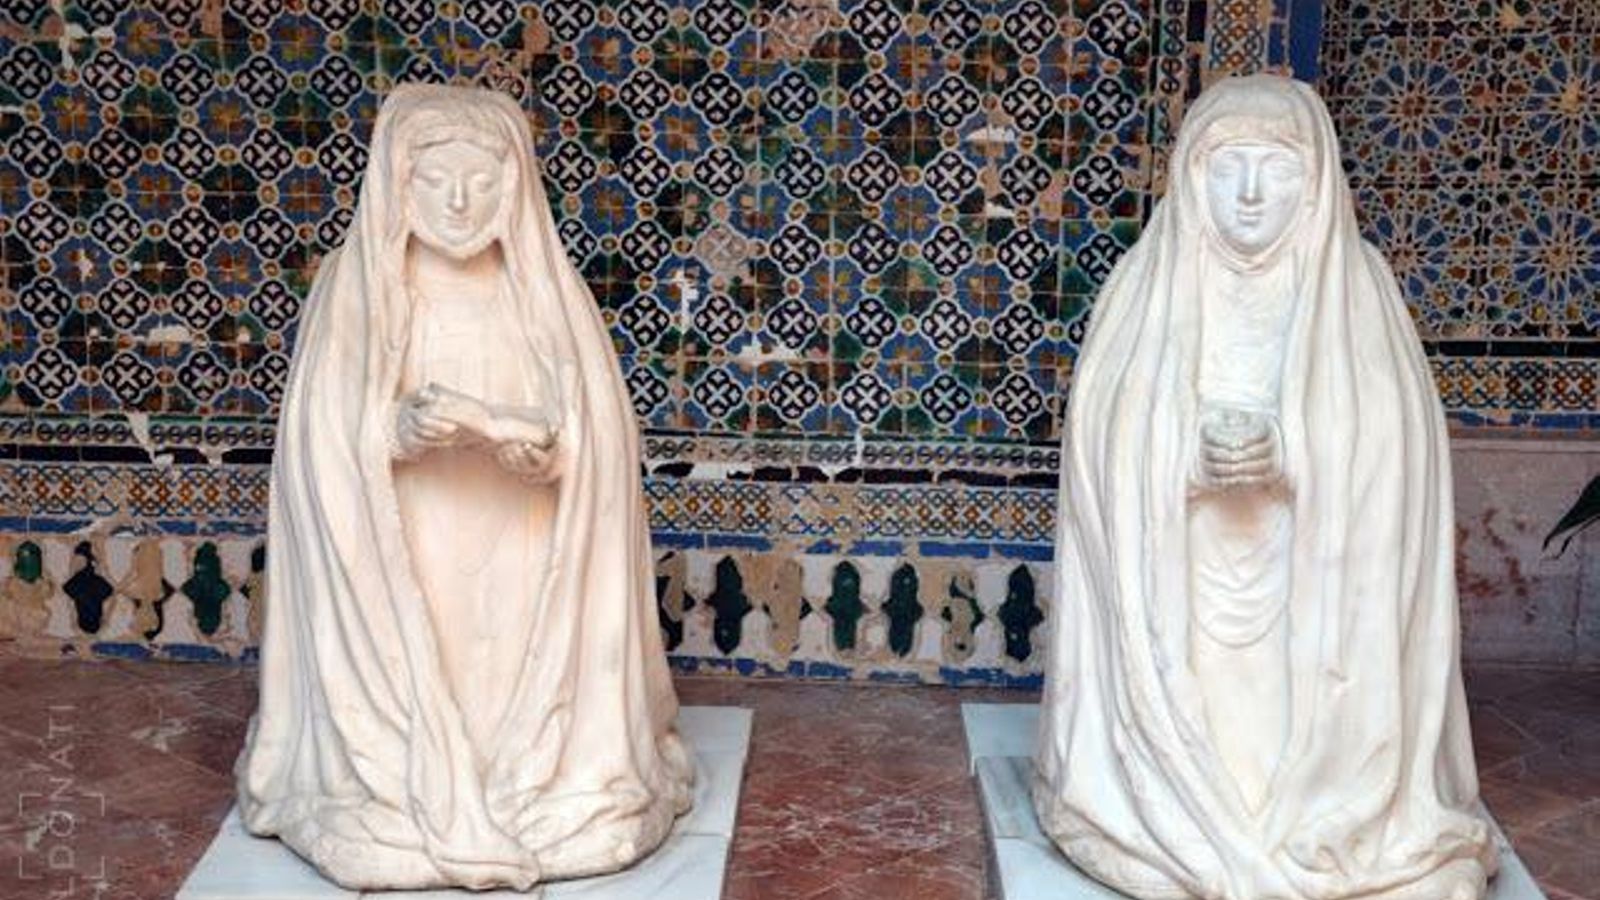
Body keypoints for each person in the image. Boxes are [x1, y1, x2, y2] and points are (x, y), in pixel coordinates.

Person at [1032, 75, 1495, 900]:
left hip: (1313, 614)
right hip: (1184, 595)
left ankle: (1331, 815)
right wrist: (1181, 457)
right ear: (1189, 176)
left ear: (1315, 180)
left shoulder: (1363, 293)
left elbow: (1400, 458)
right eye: (1226, 165)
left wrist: (1294, 453)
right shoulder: (1144, 290)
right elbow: (1105, 447)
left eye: (1276, 167)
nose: (1249, 193)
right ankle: (1164, 812)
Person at [235, 84, 693, 891]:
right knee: (429, 672)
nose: (456, 202)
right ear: (395, 184)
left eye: (481, 181)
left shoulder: (549, 295)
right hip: (408, 546)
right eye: (433, 180)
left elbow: (597, 445)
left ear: (514, 185)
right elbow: (320, 447)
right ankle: (402, 785)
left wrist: (545, 452)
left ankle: (544, 782)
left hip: (525, 548)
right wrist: (390, 433)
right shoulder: (354, 292)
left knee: (517, 679)